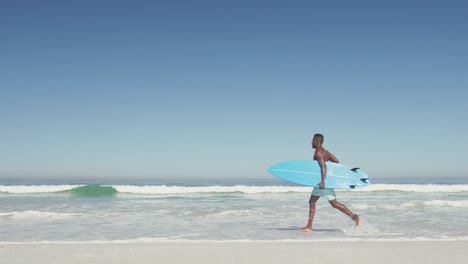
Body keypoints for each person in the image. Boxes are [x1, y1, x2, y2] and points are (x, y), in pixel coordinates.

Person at [300, 133, 360, 233]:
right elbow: (336, 161)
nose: (311, 142)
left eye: (313, 140)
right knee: (334, 204)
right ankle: (354, 217)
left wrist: (323, 181)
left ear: (317, 141)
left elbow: (323, 166)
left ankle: (309, 227)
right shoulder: (326, 152)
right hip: (326, 182)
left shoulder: (318, 152)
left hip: (322, 183)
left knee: (313, 202)